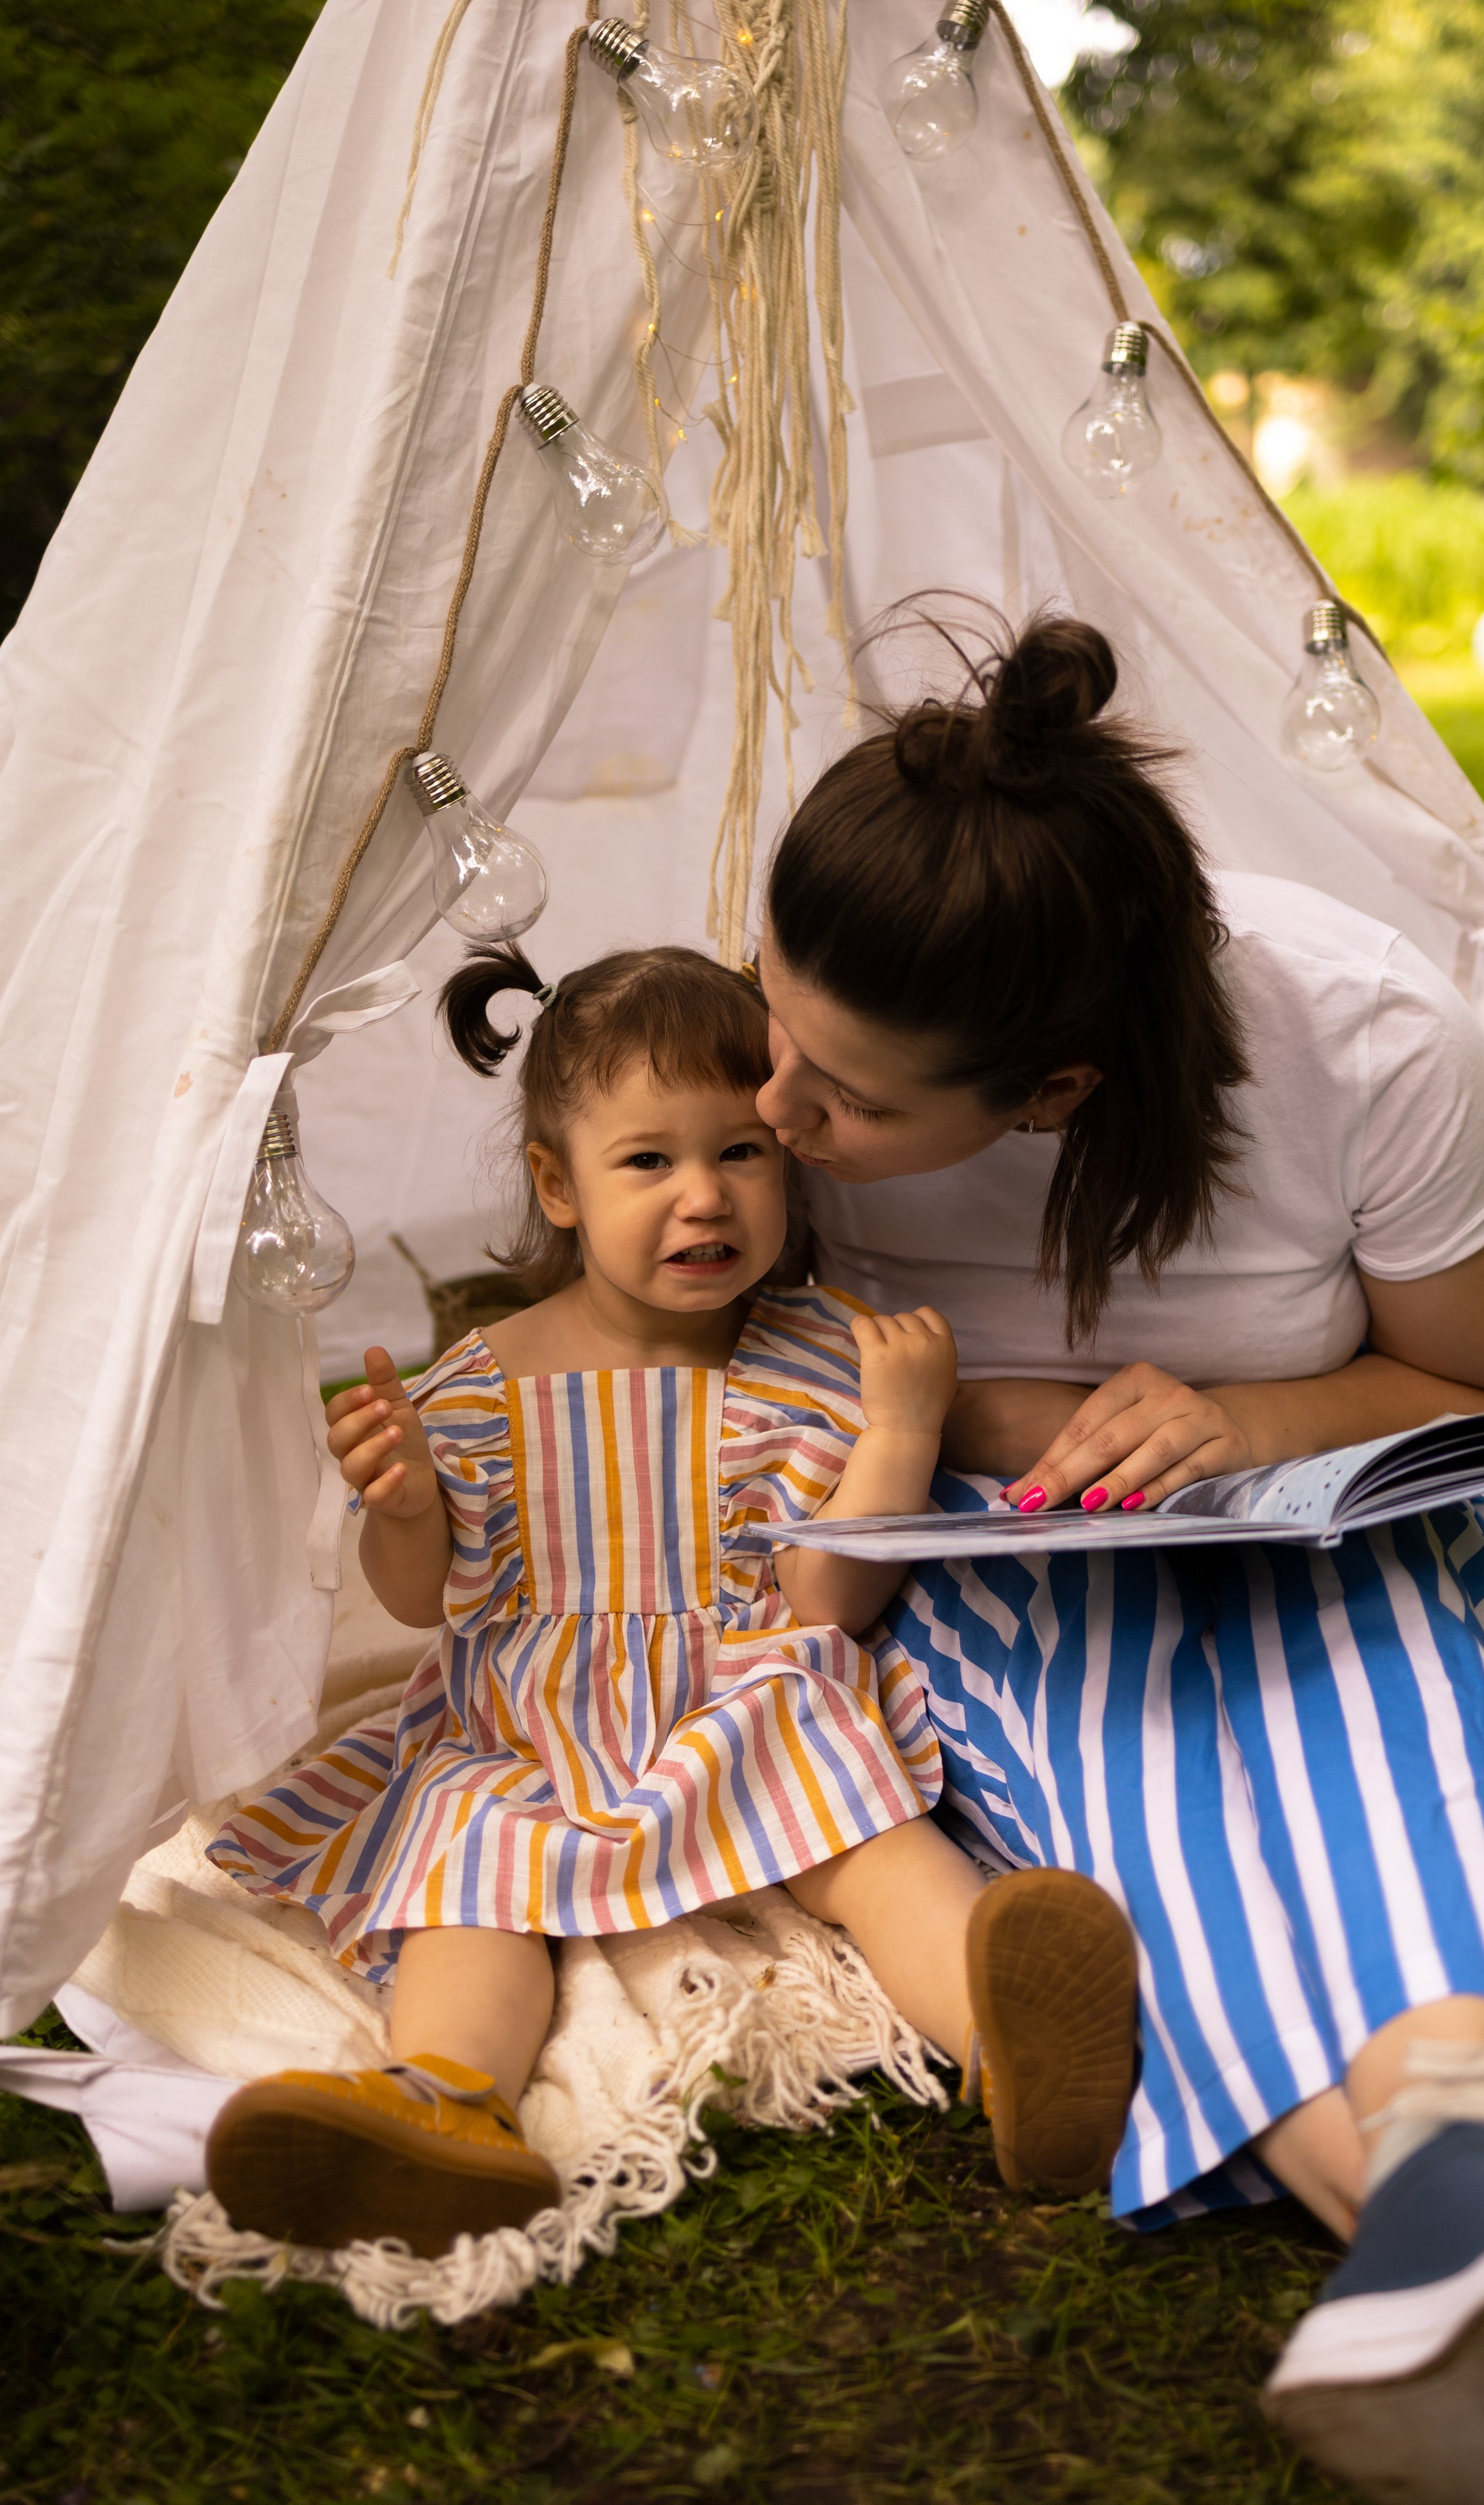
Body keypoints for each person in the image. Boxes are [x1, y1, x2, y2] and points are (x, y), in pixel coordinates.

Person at [750, 604, 1484, 2505]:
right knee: (1149, 1782)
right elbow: (706, 1357)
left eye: (847, 1106)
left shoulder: (1366, 1032)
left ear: (1050, 1100)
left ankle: (1466, 2209)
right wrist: (983, 1435)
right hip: (989, 1560)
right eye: (773, 1032)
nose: (776, 1117)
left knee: (1368, 1689)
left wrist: (1250, 1426)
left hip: (1320, 1500)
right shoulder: (837, 1004)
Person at [203, 943, 1136, 2257]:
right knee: (470, 1869)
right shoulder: (478, 1382)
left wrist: (899, 1433)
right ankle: (447, 2106)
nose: (703, 1198)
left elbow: (825, 1604)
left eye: (740, 1154)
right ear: (557, 1185)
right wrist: (407, 1508)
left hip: (742, 1693)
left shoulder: (818, 1358)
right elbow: (420, 1604)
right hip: (530, 1723)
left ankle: (1019, 2047)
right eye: (648, 1162)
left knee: (860, 1831)